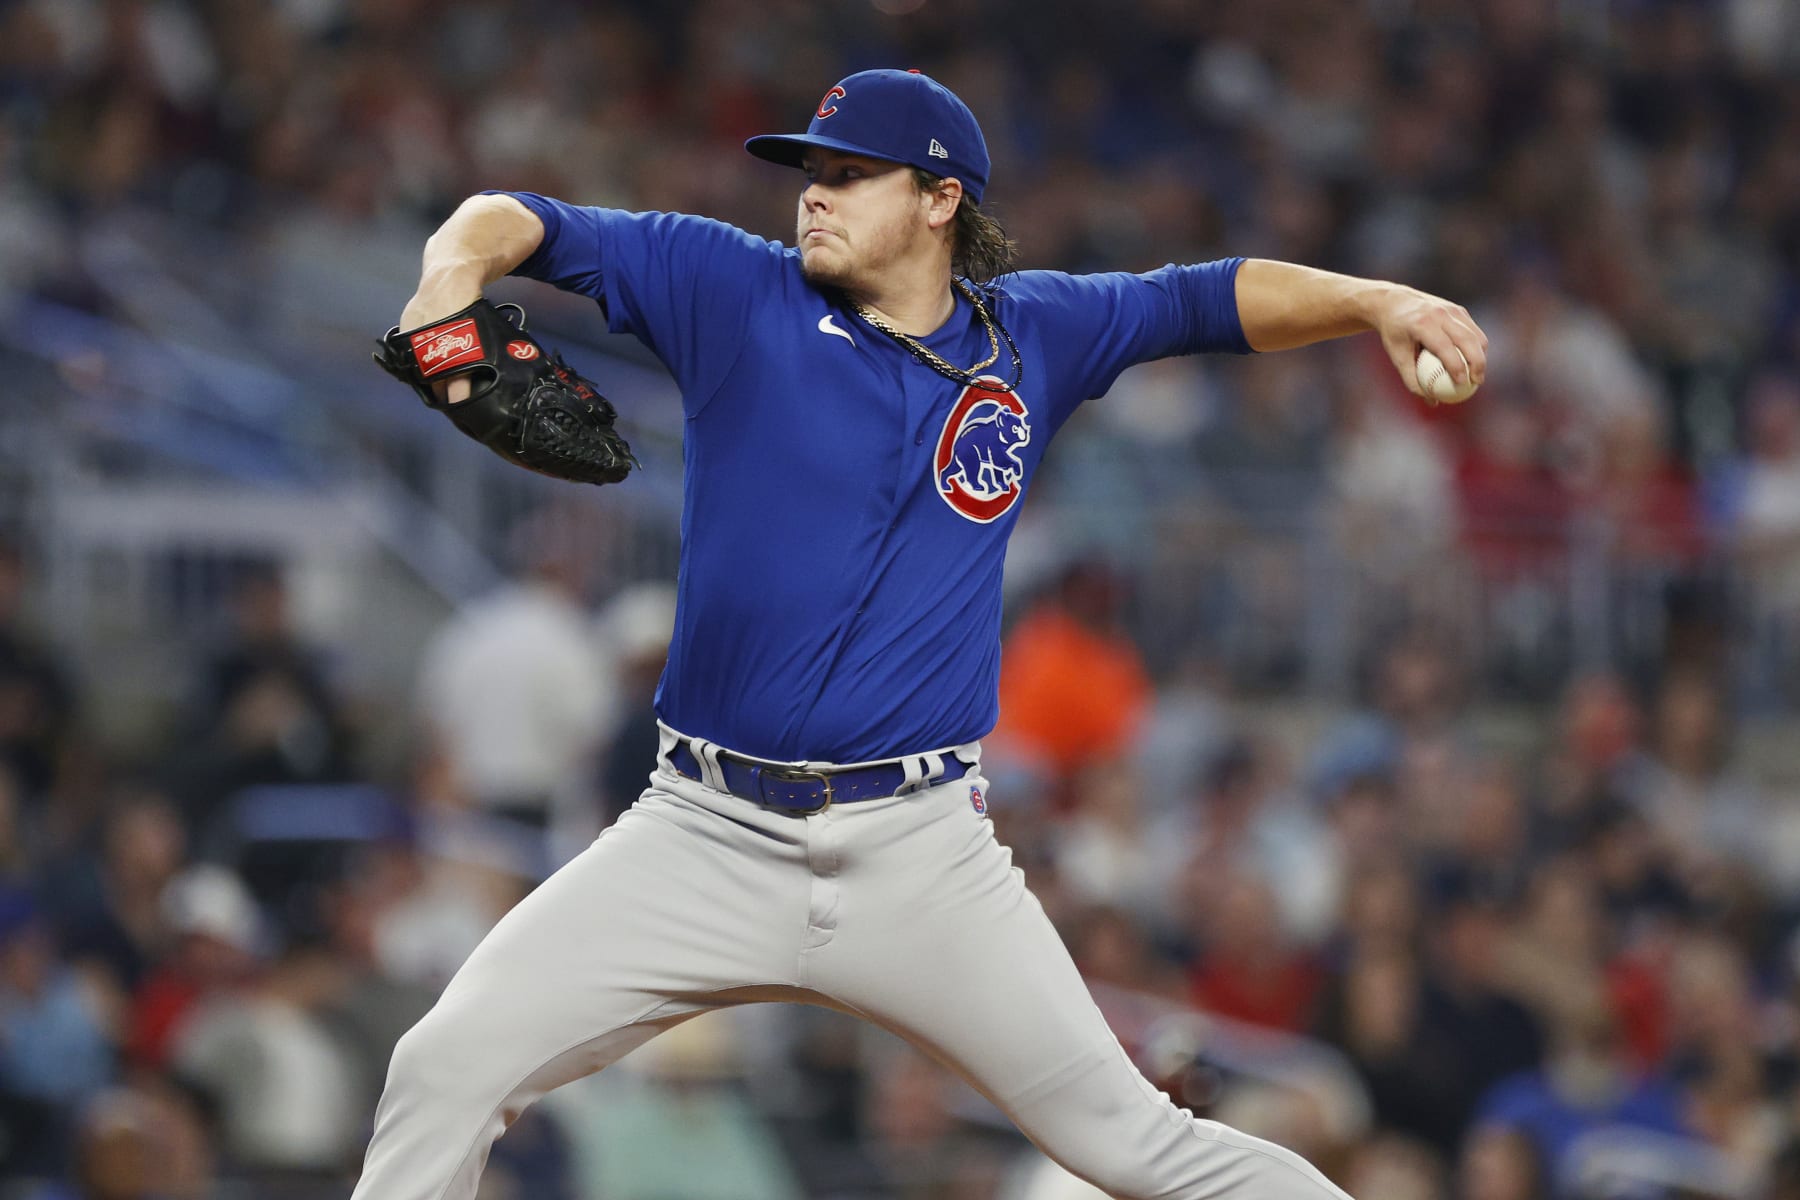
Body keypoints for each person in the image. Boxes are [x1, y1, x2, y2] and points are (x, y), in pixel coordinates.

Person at [353, 68, 1488, 1200]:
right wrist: (443, 285)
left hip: (922, 852)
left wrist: (1379, 301)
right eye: (810, 174)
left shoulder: (1034, 336)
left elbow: (1207, 296)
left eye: (849, 175)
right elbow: (513, 219)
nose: (814, 196)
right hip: (702, 831)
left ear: (940, 198)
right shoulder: (731, 290)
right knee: (444, 1065)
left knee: (1137, 1146)